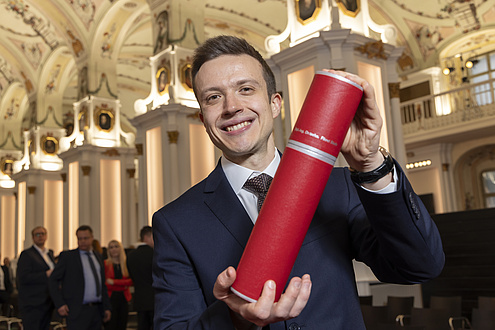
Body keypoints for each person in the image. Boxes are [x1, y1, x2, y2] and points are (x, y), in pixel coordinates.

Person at [151, 35, 445, 329]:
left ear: (275, 103)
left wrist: (372, 167)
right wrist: (234, 318)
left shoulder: (337, 187)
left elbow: (420, 266)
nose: (231, 106)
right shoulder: (176, 222)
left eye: (245, 89)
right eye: (213, 97)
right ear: (203, 118)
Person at [49, 225, 111, 329]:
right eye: (79, 239)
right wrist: (60, 303)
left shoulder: (98, 256)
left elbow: (101, 284)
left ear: (92, 238)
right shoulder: (68, 257)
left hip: (97, 310)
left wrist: (107, 307)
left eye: (85, 238)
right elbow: (53, 280)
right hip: (77, 310)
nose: (82, 241)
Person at [16, 226, 56, 329]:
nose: (40, 236)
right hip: (33, 303)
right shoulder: (27, 254)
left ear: (46, 236)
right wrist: (45, 274)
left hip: (48, 302)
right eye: (37, 234)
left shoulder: (49, 254)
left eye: (43, 234)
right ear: (33, 238)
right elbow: (23, 278)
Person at [126, 226, 154, 330]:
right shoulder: (155, 254)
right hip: (155, 300)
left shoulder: (130, 256)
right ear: (148, 236)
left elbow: (132, 277)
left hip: (139, 300)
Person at [104, 240, 133, 330]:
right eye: (111, 247)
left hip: (124, 299)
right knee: (111, 325)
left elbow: (131, 282)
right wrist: (122, 285)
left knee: (122, 325)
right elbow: (106, 284)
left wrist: (114, 282)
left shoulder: (126, 264)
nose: (114, 249)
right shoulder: (105, 264)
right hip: (110, 299)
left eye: (116, 246)